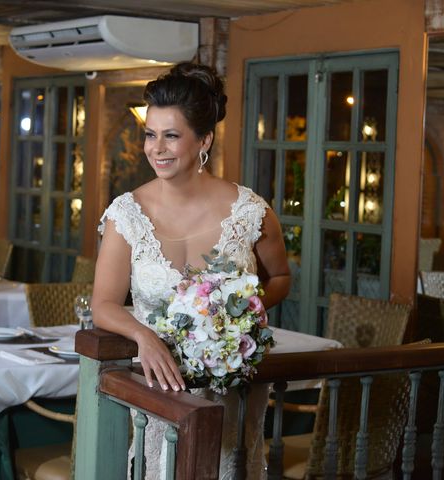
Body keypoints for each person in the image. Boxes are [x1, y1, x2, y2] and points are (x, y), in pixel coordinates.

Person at [92, 62, 291, 479]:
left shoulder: (250, 211)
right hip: (158, 390)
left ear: (204, 139)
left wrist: (235, 313)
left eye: (171, 136)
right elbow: (104, 305)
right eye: (150, 134)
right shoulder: (126, 215)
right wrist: (143, 336)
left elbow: (280, 279)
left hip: (233, 390)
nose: (156, 148)